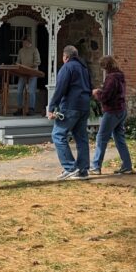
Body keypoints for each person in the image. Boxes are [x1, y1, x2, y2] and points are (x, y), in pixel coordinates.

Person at [48, 45, 92, 180]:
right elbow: (90, 86)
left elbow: (60, 88)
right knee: (81, 138)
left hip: (70, 106)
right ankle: (83, 170)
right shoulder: (84, 68)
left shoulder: (67, 67)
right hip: (84, 105)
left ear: (66, 57)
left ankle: (70, 167)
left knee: (58, 135)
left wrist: (51, 107)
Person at [89, 55, 133, 175]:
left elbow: (105, 97)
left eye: (103, 67)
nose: (103, 69)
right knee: (119, 139)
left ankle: (96, 166)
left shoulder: (111, 78)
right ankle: (127, 166)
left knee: (101, 138)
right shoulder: (120, 76)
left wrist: (97, 93)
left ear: (106, 66)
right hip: (121, 110)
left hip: (112, 111)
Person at [16, 37, 42, 114]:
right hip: (22, 73)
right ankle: (19, 109)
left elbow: (37, 62)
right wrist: (17, 65)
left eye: (25, 42)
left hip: (32, 73)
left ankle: (31, 109)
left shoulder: (34, 50)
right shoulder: (21, 50)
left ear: (29, 42)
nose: (24, 44)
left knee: (31, 91)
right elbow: (18, 61)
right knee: (19, 90)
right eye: (23, 43)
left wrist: (29, 67)